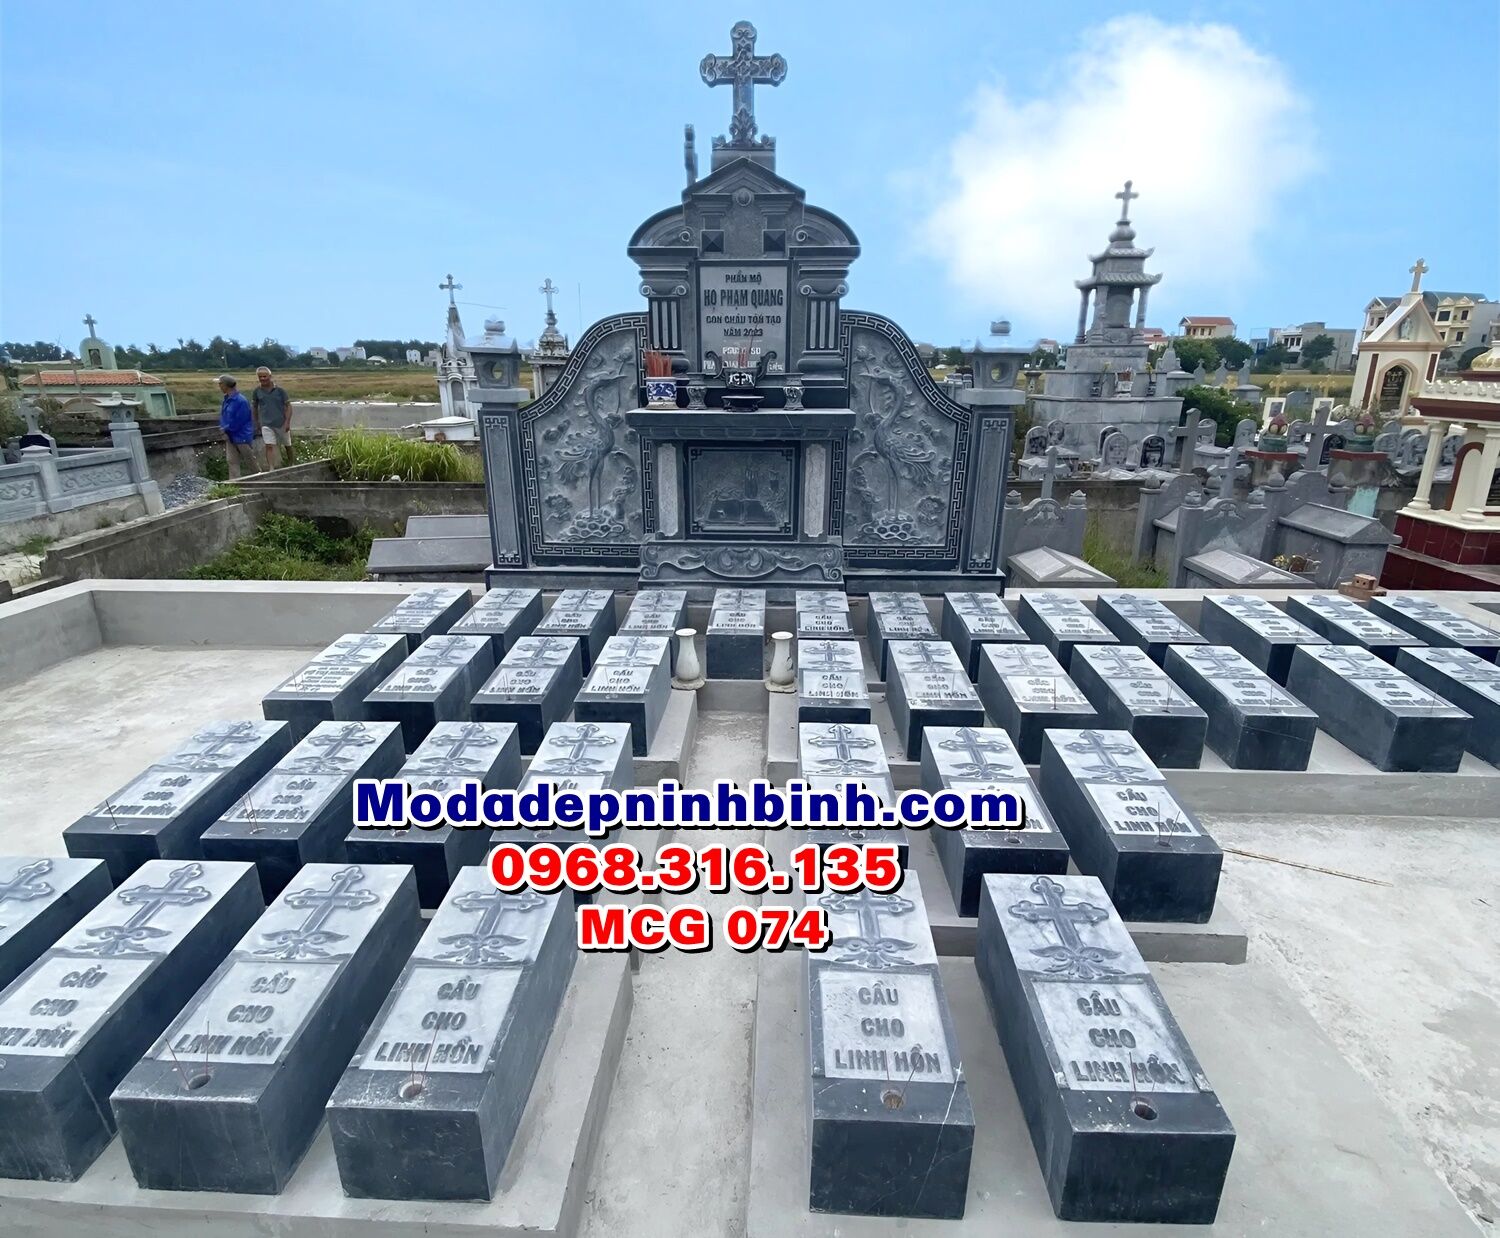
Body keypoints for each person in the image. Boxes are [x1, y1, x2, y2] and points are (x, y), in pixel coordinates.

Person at [251, 366, 294, 468]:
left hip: (281, 422)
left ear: (270, 376)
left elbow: (288, 406)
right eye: (260, 377)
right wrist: (256, 422)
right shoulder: (257, 391)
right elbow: (254, 406)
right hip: (266, 423)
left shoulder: (280, 390)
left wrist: (287, 422)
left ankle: (291, 464)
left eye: (264, 376)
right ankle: (271, 468)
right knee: (269, 445)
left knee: (287, 445)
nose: (262, 379)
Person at [217, 375, 259, 479]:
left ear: (226, 385)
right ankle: (235, 482)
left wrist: (226, 428)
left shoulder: (240, 401)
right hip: (230, 435)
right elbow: (224, 416)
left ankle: (260, 477)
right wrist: (223, 428)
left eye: (220, 384)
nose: (219, 386)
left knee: (250, 460)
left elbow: (240, 420)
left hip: (241, 435)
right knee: (231, 461)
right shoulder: (227, 399)